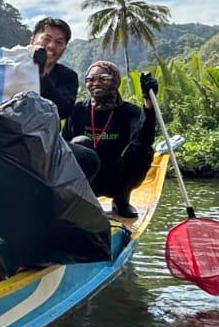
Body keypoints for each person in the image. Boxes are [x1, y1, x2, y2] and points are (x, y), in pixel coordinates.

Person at [62, 61, 157, 219]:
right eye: (90, 79)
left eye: (103, 78)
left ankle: (121, 201)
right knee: (78, 144)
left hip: (117, 176)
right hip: (86, 176)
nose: (96, 83)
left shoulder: (129, 111)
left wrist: (148, 102)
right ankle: (79, 200)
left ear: (115, 80)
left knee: (143, 150)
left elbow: (144, 139)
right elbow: (63, 145)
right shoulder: (77, 110)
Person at [30, 16, 80, 109]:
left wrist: (43, 75)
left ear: (64, 49)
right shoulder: (13, 66)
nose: (51, 46)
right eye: (46, 39)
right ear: (32, 41)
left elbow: (64, 110)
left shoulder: (68, 76)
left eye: (59, 42)